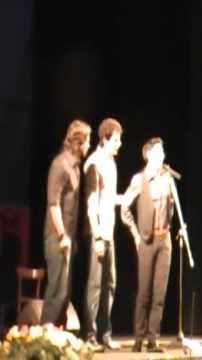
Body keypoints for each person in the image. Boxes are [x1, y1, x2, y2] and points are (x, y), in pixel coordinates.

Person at [121, 137, 183, 352]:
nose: (163, 155)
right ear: (149, 155)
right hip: (147, 241)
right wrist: (136, 235)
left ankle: (153, 338)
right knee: (144, 292)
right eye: (159, 152)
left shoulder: (167, 179)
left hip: (164, 240)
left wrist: (177, 228)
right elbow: (125, 208)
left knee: (159, 293)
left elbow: (172, 210)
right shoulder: (139, 180)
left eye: (163, 151)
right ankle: (139, 337)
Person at [41, 120, 91, 327]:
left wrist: (71, 239)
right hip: (56, 237)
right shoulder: (59, 165)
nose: (89, 146)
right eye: (87, 141)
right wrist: (62, 235)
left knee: (65, 293)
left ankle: (56, 340)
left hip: (68, 239)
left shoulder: (76, 169)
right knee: (56, 291)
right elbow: (53, 204)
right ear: (78, 143)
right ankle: (44, 339)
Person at [83, 118, 123, 351]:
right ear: (105, 138)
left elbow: (109, 197)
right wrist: (97, 235)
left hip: (110, 232)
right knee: (95, 285)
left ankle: (105, 333)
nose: (119, 144)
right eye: (116, 139)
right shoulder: (94, 163)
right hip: (98, 232)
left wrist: (125, 198)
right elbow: (92, 202)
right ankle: (90, 335)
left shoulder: (111, 164)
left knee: (110, 283)